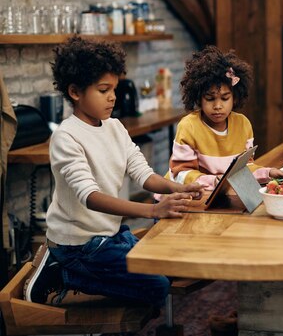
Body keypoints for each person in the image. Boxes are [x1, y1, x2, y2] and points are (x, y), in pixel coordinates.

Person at [23, 36, 204, 306]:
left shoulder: (115, 127)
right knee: (157, 287)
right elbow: (90, 196)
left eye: (114, 89)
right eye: (103, 90)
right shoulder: (66, 137)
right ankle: (61, 273)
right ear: (75, 92)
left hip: (108, 237)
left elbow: (143, 174)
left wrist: (179, 188)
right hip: (78, 246)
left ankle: (78, 274)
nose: (112, 97)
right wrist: (153, 210)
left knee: (171, 268)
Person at [166, 45, 283, 193]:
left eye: (225, 98)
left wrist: (268, 173)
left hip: (220, 197)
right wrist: (214, 181)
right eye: (210, 98)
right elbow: (180, 174)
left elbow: (243, 169)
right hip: (186, 196)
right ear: (199, 98)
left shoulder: (243, 125)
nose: (218, 106)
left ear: (235, 97)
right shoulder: (189, 126)